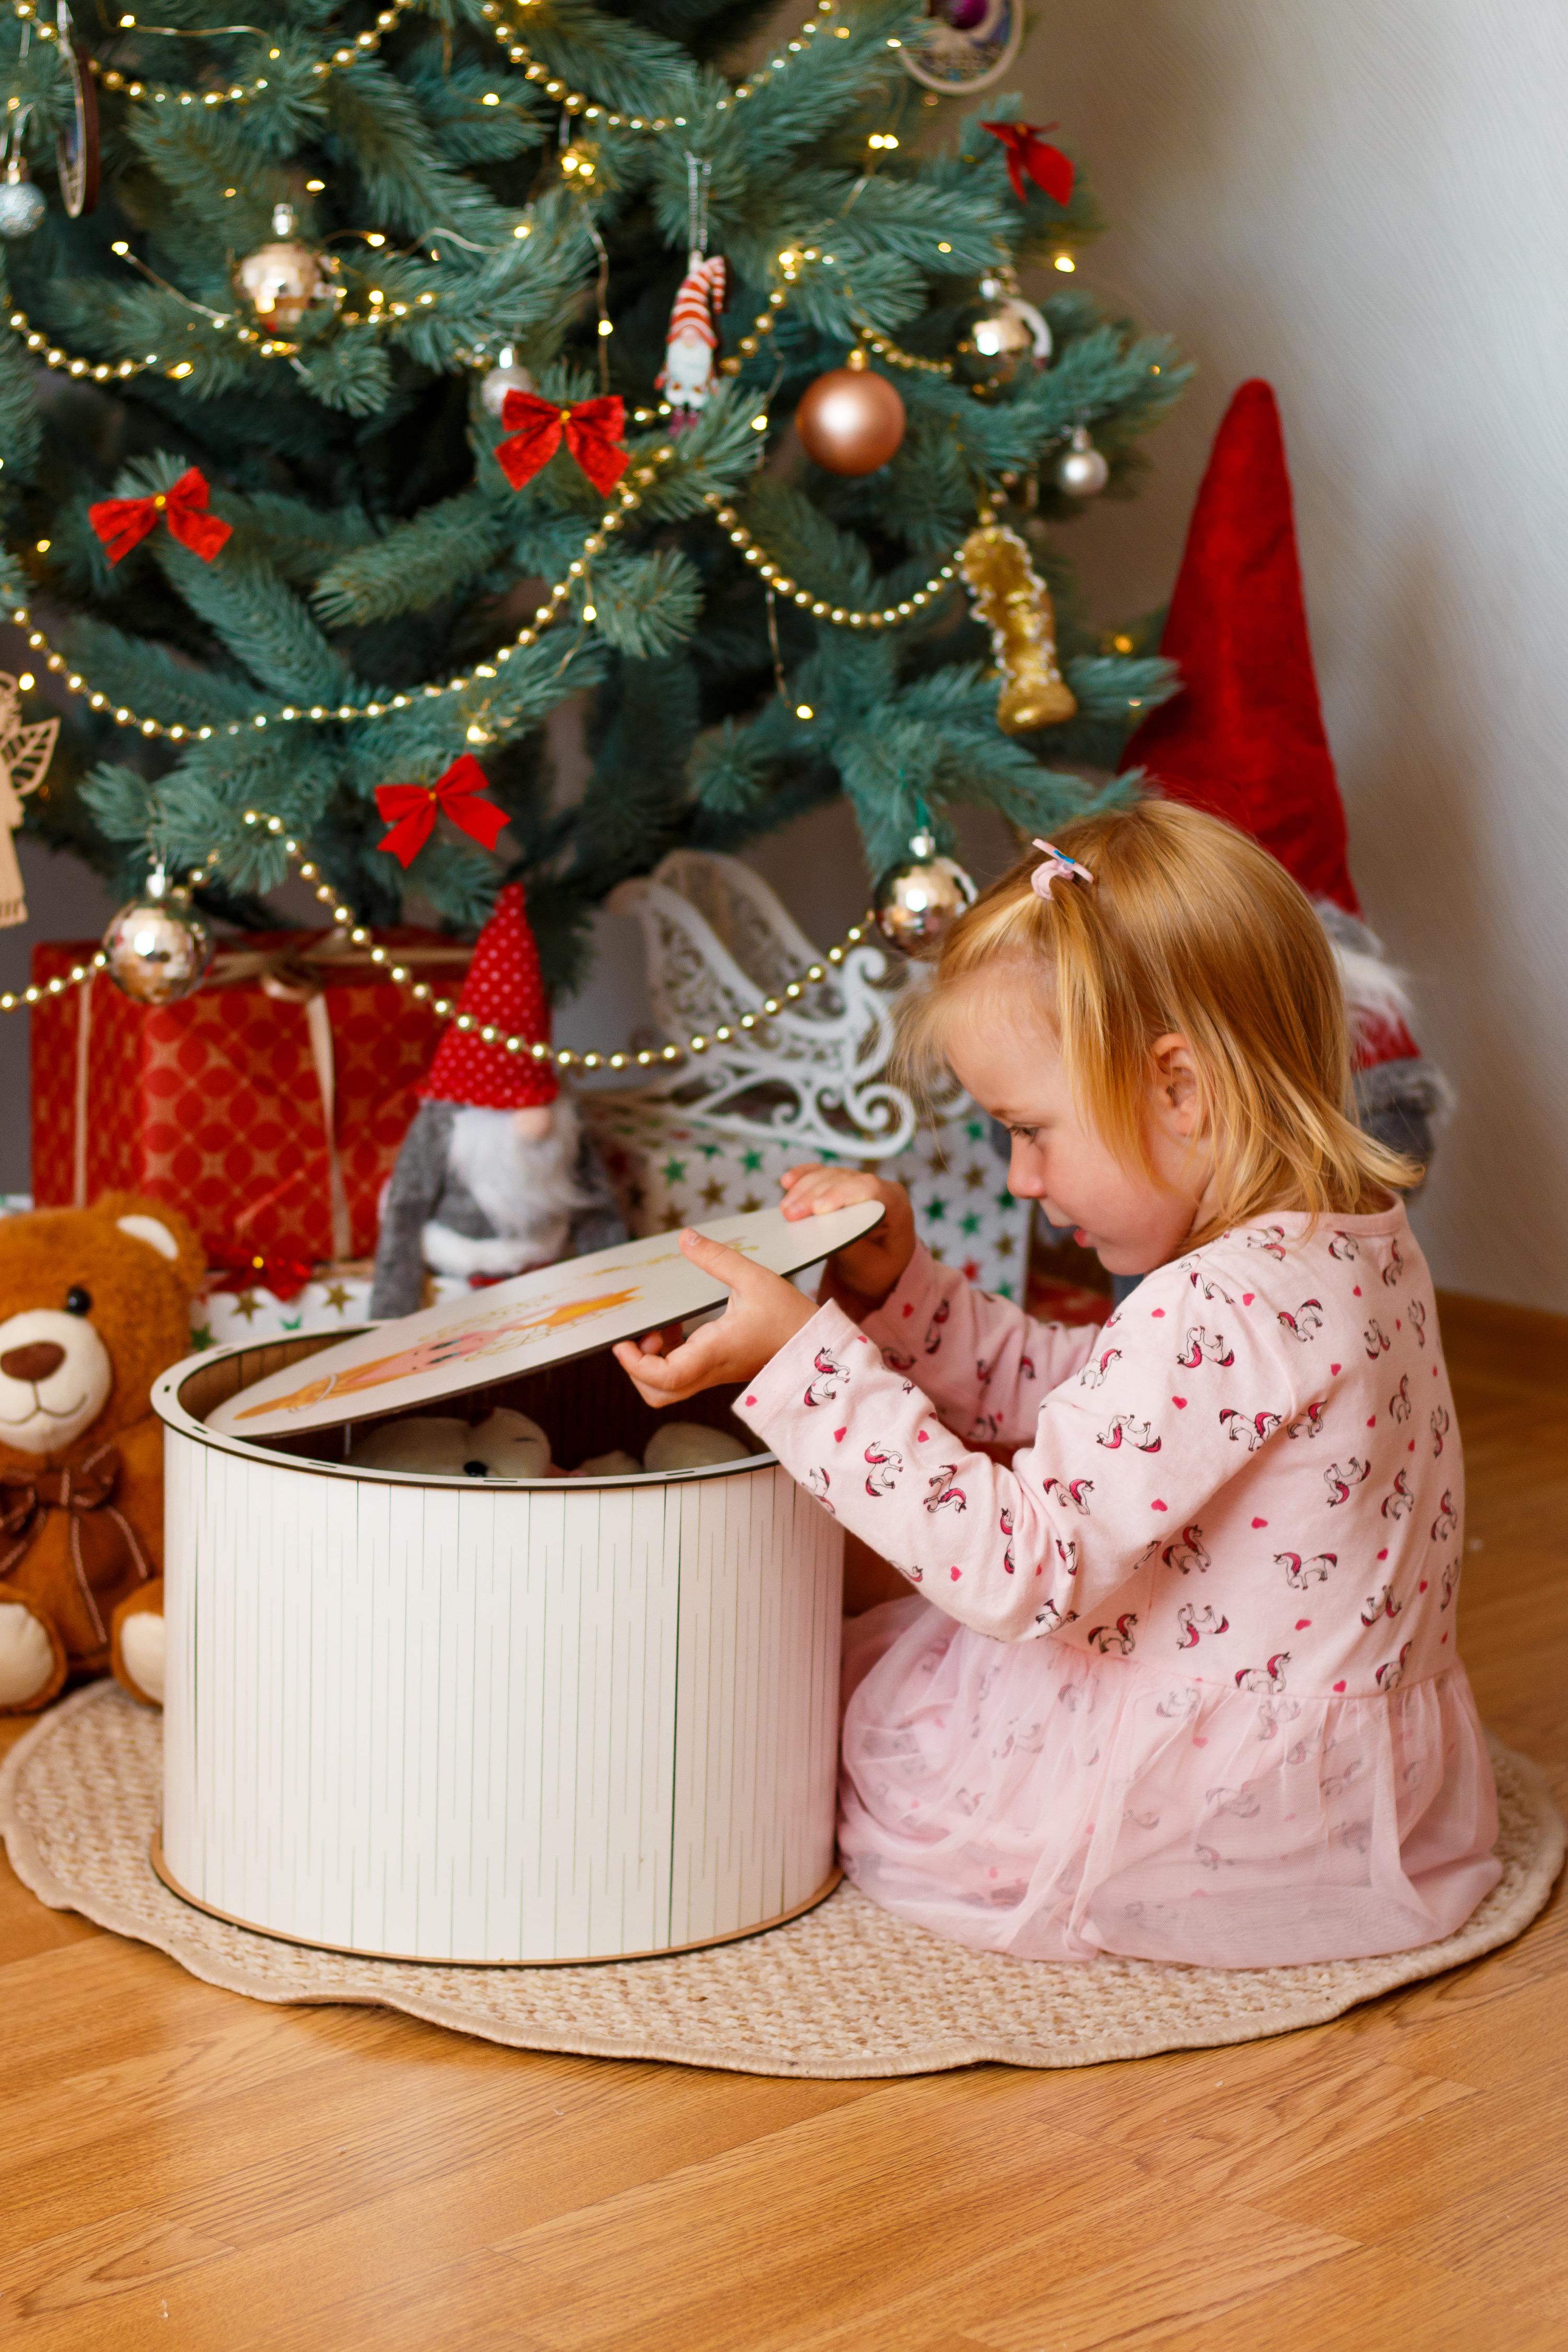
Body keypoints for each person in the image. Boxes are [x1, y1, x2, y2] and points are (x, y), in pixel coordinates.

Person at [613, 800, 1500, 1968]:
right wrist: (906, 1292)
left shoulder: (1214, 1304)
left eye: (1030, 1130)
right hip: (1341, 1776)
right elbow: (1104, 1404)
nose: (1023, 1179)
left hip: (1202, 1809)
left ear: (1178, 1090)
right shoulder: (1350, 1247)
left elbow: (1021, 1570)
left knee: (822, 1709)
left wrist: (805, 1366)